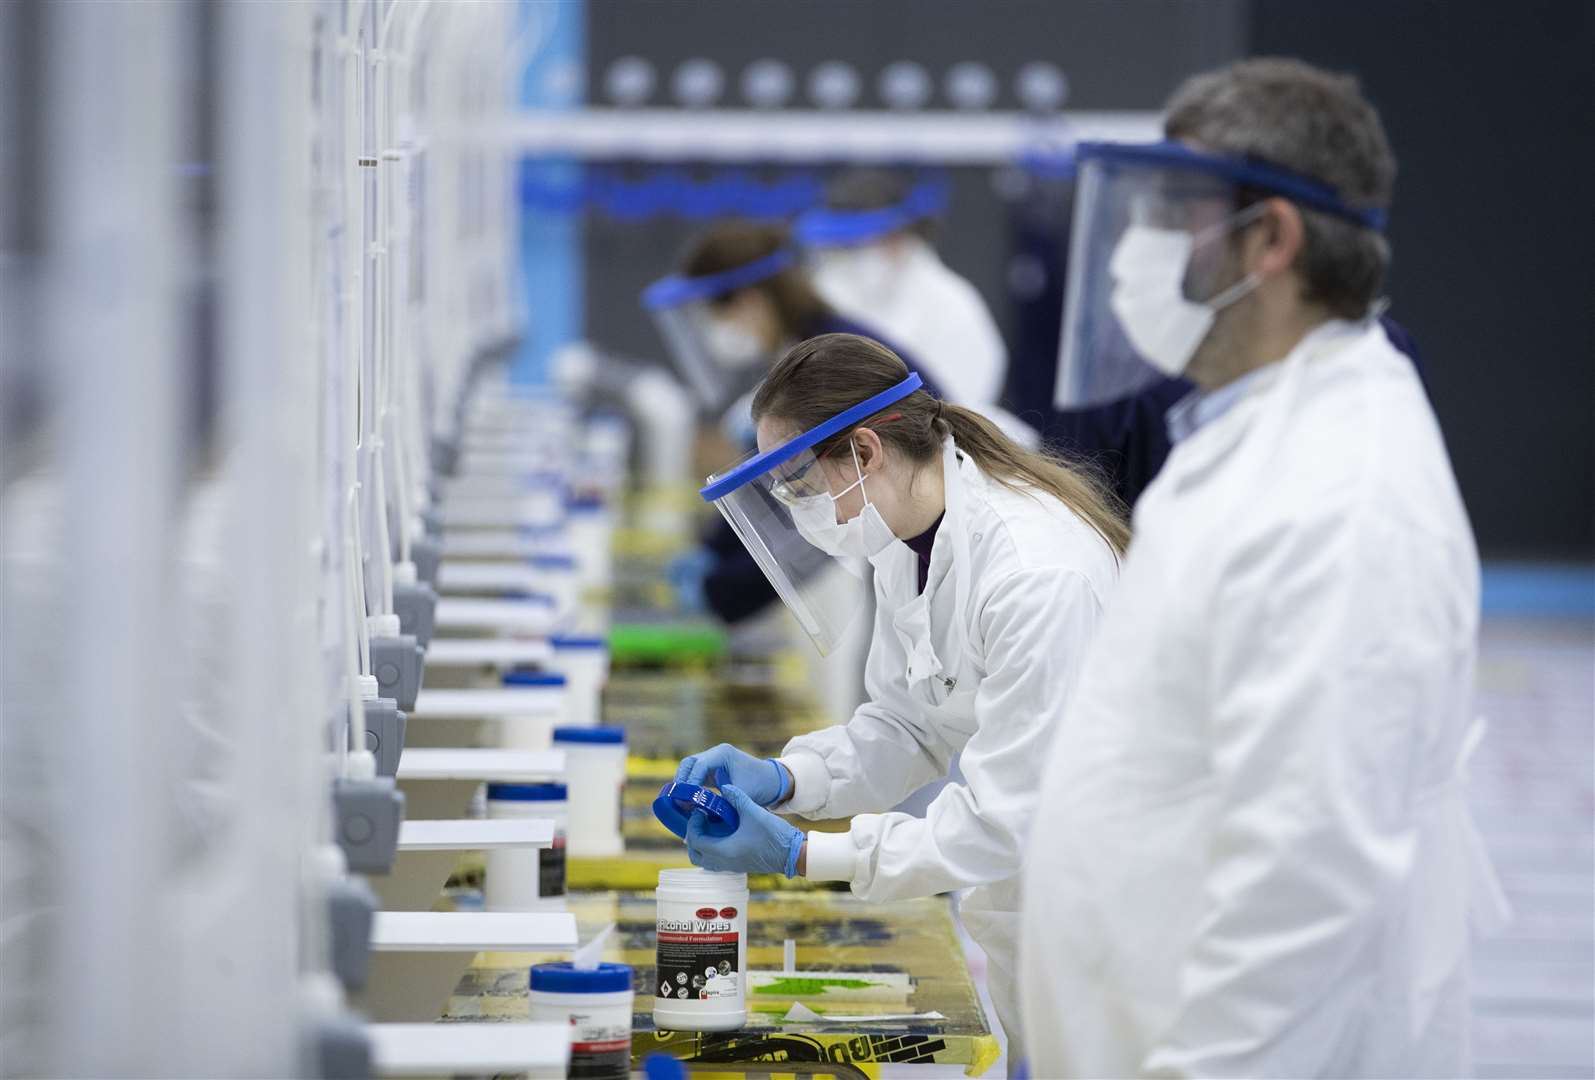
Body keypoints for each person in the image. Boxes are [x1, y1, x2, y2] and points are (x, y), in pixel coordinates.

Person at [1020, 58, 1506, 1077]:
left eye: (1168, 214)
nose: (1133, 254)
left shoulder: (1340, 498)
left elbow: (1302, 901)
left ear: (1270, 239)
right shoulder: (1251, 437)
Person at [673, 332, 1125, 1056]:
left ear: (864, 453)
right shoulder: (906, 541)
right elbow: (909, 725)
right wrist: (787, 778)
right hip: (1026, 912)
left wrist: (801, 856)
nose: (796, 509)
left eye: (796, 482)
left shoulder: (1036, 574)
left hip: (1109, 920)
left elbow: (997, 823)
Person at [643, 220, 940, 625]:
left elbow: (821, 508)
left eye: (716, 315)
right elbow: (780, 489)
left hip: (932, 551)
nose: (715, 332)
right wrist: (713, 549)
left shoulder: (826, 367)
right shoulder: (805, 355)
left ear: (750, 302)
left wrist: (724, 590)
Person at [796, 170, 1008, 409]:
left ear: (896, 239)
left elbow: (953, 410)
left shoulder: (952, 306)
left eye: (850, 248)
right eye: (835, 250)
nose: (839, 262)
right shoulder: (832, 290)